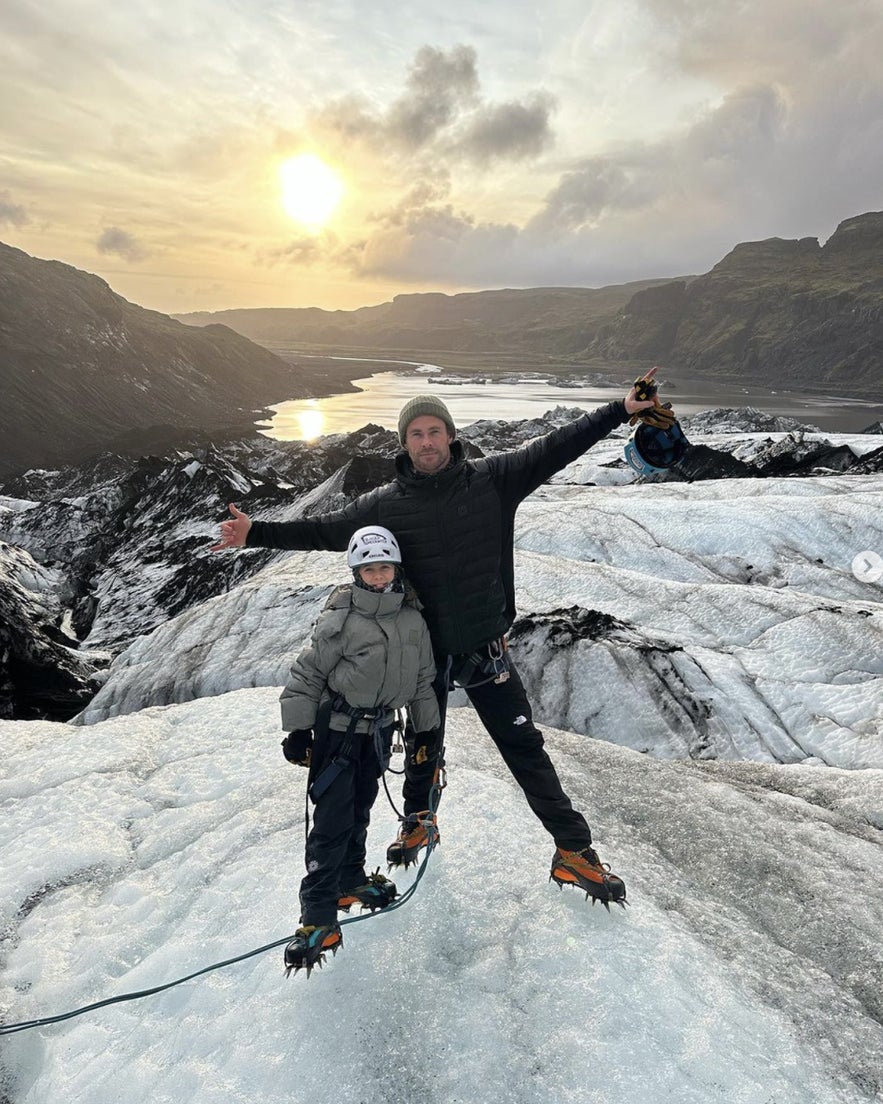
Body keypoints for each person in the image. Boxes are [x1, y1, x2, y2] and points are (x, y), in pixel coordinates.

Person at [214, 370, 668, 908]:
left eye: (434, 431)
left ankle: (573, 850)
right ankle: (417, 820)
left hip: (486, 647)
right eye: (416, 434)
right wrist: (254, 533)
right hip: (426, 655)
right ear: (404, 443)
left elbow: (558, 445)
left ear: (450, 435)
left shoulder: (493, 480)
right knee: (425, 741)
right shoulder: (384, 505)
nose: (427, 442)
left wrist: (621, 408)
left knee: (524, 748)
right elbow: (326, 530)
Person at [279, 524, 440, 975]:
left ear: (396, 568)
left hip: (379, 732)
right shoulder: (342, 618)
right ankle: (317, 916)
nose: (376, 576)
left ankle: (349, 880)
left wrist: (427, 733)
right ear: (356, 571)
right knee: (331, 822)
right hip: (338, 732)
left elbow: (423, 681)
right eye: (368, 569)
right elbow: (308, 674)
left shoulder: (412, 619)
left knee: (361, 810)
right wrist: (298, 730)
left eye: (383, 566)